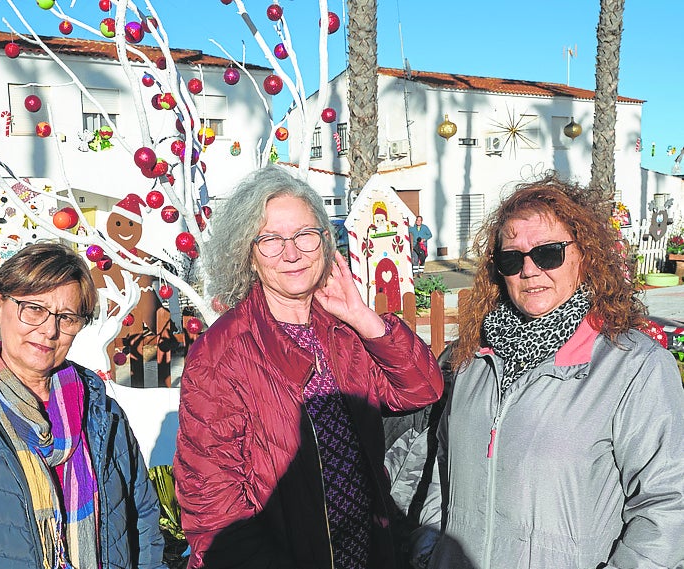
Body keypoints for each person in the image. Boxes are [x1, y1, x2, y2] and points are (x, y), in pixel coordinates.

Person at [174, 165, 444, 569]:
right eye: (271, 239)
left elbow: (422, 390)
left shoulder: (343, 328)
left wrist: (362, 316)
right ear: (247, 254)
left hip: (369, 553)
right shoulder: (223, 353)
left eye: (305, 235)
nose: (292, 252)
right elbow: (213, 506)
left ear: (324, 242)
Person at [415, 176, 684, 568]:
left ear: (585, 256)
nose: (529, 269)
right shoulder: (472, 359)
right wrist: (432, 549)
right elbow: (442, 464)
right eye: (512, 258)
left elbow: (668, 506)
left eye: (548, 253)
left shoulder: (633, 367)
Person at [0, 242, 167, 569]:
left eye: (66, 317)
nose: (49, 330)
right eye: (34, 309)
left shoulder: (101, 415)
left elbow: (142, 524)